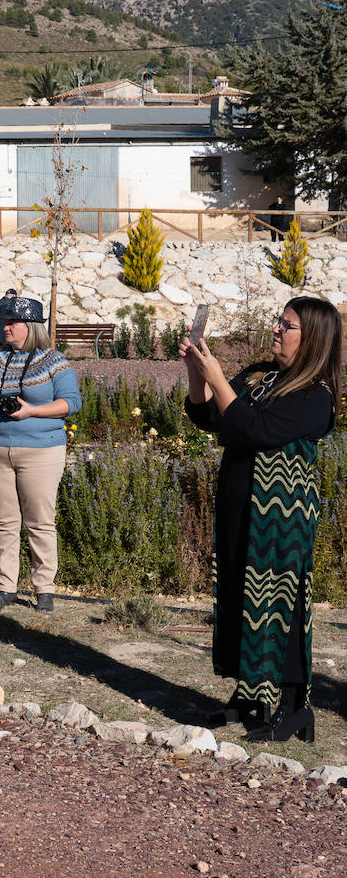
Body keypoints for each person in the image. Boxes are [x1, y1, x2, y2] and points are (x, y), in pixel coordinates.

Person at [182, 297, 341, 742]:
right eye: (278, 321)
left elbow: (252, 428)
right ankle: (248, 696)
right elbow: (210, 415)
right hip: (239, 503)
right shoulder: (259, 375)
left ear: (312, 339)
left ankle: (294, 707)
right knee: (237, 594)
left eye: (287, 326)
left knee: (280, 605)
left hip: (279, 518)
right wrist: (199, 370)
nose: (276, 329)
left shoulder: (314, 396)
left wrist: (216, 375)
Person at [0, 297, 82, 613]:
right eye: (3, 322)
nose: (4, 327)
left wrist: (33, 410)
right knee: (3, 520)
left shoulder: (54, 362)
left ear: (31, 327)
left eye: (12, 323)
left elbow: (71, 402)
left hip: (41, 452)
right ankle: (5, 587)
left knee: (40, 521)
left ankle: (44, 589)